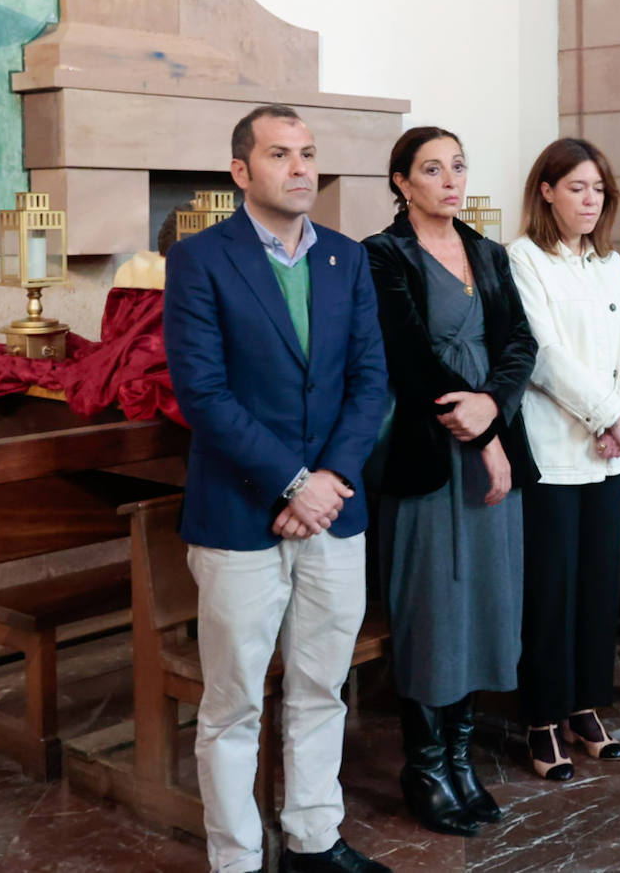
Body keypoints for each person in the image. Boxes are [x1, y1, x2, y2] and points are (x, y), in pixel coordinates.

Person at [162, 105, 390, 873]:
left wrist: (328, 482)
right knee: (233, 704)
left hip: (334, 514)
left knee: (323, 684)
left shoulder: (346, 260)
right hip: (237, 515)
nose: (300, 168)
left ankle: (314, 840)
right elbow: (203, 394)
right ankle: (236, 859)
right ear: (240, 172)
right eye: (280, 154)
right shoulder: (200, 259)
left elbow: (370, 384)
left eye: (308, 154)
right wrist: (295, 482)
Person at [363, 127, 538, 836]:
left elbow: (520, 343)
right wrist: (481, 432)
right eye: (432, 169)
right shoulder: (381, 255)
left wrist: (494, 407)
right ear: (402, 181)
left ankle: (461, 758)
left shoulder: (489, 252)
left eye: (457, 167)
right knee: (433, 607)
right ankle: (425, 765)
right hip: (427, 450)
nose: (449, 180)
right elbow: (405, 358)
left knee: (487, 606)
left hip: (490, 440)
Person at [508, 138, 620, 780]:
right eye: (575, 188)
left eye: (597, 189)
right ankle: (541, 718)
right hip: (556, 455)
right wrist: (607, 415)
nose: (589, 200)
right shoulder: (524, 259)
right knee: (552, 593)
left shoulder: (608, 263)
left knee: (600, 588)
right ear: (546, 191)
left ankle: (587, 705)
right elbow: (542, 355)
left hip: (608, 453)